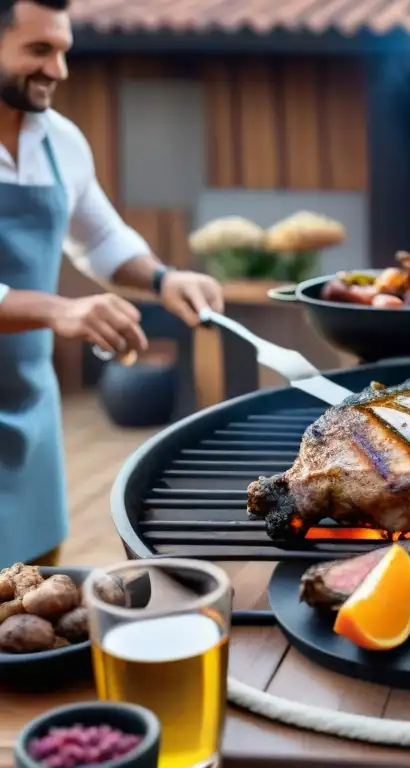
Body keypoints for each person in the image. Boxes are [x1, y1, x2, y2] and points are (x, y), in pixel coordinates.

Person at [0, 0, 225, 569]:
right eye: (38, 50)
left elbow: (100, 241)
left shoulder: (60, 141)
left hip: (29, 408)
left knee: (36, 580)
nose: (58, 69)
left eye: (62, 50)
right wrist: (59, 311)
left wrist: (163, 277)